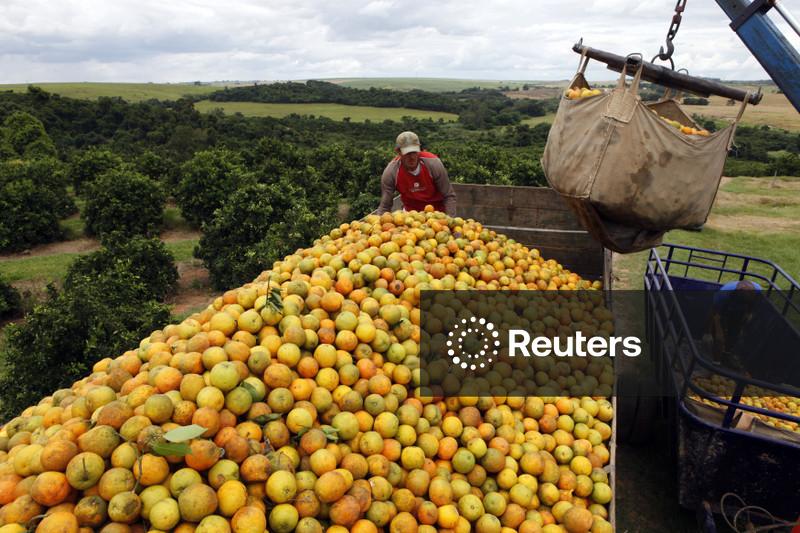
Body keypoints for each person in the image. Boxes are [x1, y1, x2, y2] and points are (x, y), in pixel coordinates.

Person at [376, 131, 456, 216]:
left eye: (414, 152)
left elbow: (449, 196)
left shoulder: (433, 163)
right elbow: (385, 206)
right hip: (410, 217)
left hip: (437, 214)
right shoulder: (391, 172)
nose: (412, 157)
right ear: (398, 152)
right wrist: (377, 224)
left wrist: (449, 221)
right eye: (408, 153)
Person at [705, 279, 763, 373]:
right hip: (724, 311)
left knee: (735, 334)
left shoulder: (757, 290)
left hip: (740, 311)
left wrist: (749, 313)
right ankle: (716, 364)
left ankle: (726, 355)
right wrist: (708, 332)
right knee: (720, 338)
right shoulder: (723, 295)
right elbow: (714, 313)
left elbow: (753, 302)